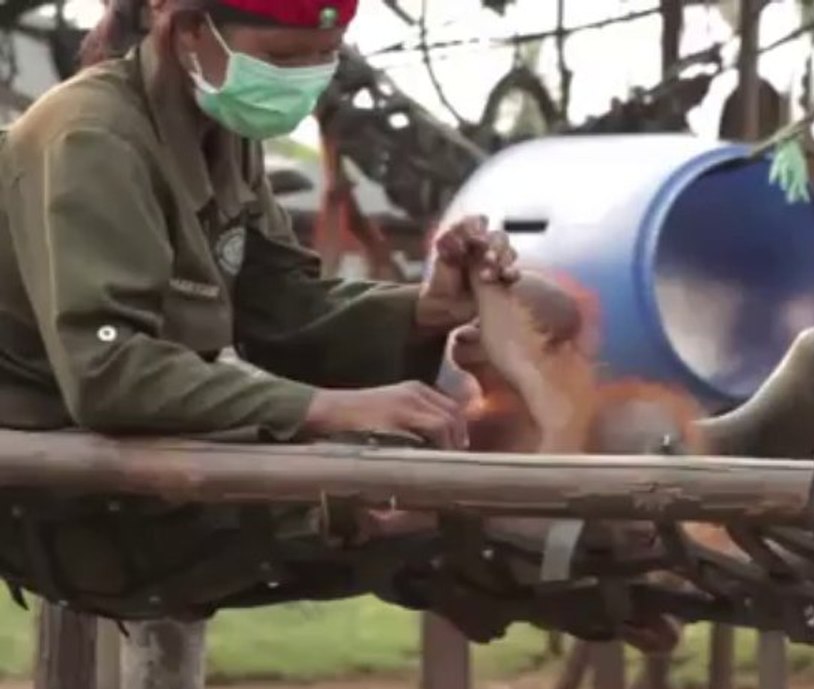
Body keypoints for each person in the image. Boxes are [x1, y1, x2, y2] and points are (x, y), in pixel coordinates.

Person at [0, 0, 517, 449]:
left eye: (324, 55)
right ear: (191, 31)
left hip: (138, 441)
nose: (302, 78)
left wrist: (425, 310)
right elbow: (108, 367)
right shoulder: (93, 137)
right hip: (47, 456)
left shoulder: (223, 127)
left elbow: (279, 308)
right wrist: (324, 409)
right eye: (282, 57)